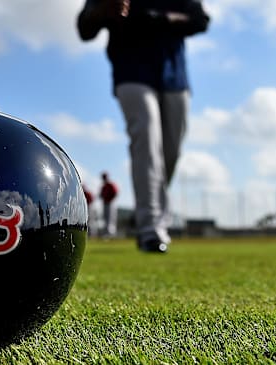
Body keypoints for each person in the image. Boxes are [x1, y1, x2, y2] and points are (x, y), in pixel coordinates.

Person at [77, 0, 210, 253]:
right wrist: (102, 11)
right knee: (147, 142)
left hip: (174, 76)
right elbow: (85, 28)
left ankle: (149, 215)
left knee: (171, 152)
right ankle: (151, 229)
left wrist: (161, 19)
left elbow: (200, 21)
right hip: (131, 71)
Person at [99, 171, 118, 238]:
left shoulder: (110, 185)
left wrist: (110, 200)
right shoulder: (104, 186)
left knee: (110, 218)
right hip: (105, 203)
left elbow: (115, 193)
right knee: (106, 218)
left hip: (110, 203)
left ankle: (111, 234)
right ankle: (107, 234)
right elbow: (100, 195)